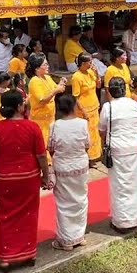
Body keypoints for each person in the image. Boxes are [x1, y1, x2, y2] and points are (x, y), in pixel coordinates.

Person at [0, 91, 50, 272]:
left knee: (5, 216)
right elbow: (41, 155)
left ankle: (6, 258)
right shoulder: (33, 127)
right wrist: (46, 175)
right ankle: (29, 253)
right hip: (29, 177)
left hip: (6, 178)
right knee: (29, 214)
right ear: (20, 106)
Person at [100, 78, 137, 233]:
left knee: (119, 185)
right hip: (135, 147)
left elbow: (102, 129)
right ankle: (135, 218)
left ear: (111, 92)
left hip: (118, 150)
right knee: (135, 183)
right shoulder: (134, 104)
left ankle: (122, 222)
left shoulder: (108, 107)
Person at [48, 95, 91, 251]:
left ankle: (66, 240)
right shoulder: (83, 124)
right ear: (74, 107)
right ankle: (79, 236)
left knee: (64, 203)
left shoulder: (55, 126)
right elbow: (87, 145)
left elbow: (51, 148)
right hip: (80, 166)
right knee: (80, 199)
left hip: (63, 167)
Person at [70, 54, 104, 171]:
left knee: (95, 132)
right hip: (84, 109)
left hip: (94, 105)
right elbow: (76, 96)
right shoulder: (76, 77)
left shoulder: (90, 73)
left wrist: (97, 73)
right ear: (83, 64)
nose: (91, 64)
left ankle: (94, 157)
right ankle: (86, 158)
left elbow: (98, 85)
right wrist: (83, 111)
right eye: (89, 62)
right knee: (87, 134)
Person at [26, 54, 67, 149]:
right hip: (40, 120)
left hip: (50, 117)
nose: (48, 66)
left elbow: (56, 88)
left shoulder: (47, 78)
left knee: (51, 144)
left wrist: (61, 83)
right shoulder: (34, 81)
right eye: (45, 65)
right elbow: (42, 100)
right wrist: (56, 91)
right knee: (41, 145)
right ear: (37, 68)